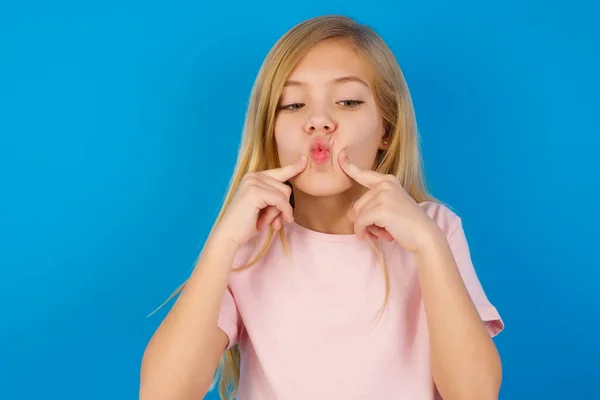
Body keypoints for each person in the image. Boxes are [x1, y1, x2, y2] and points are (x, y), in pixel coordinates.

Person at [139, 14, 504, 400]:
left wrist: (429, 248)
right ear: (271, 131)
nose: (318, 121)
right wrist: (223, 243)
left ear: (388, 130)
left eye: (347, 101)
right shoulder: (250, 244)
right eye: (294, 104)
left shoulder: (435, 231)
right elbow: (163, 393)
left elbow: (475, 393)